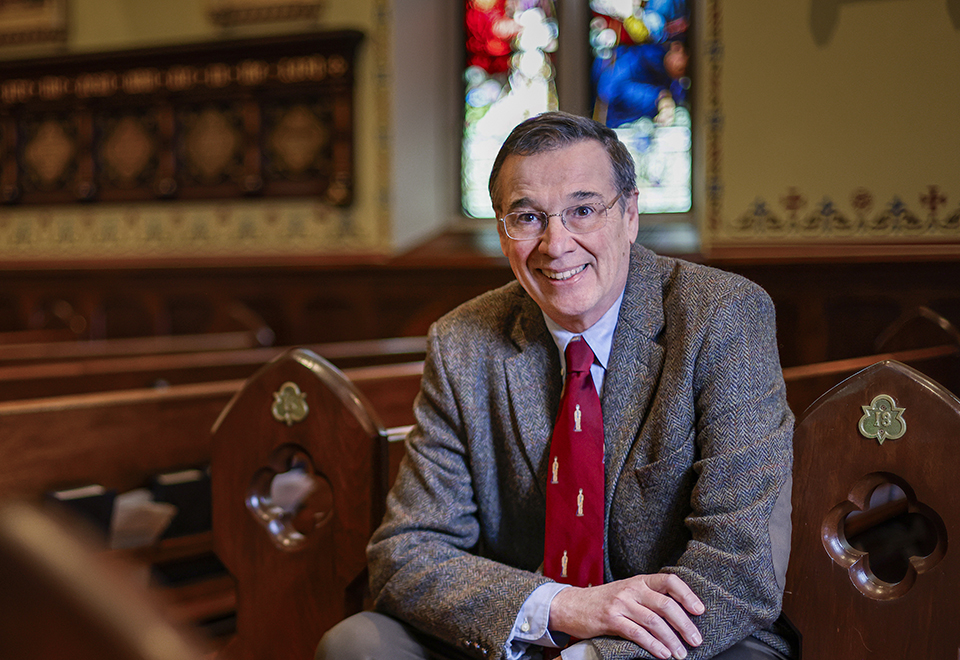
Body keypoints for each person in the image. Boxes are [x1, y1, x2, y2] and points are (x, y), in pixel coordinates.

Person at [316, 112, 795, 660]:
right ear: (502, 231)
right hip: (523, 631)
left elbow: (740, 565)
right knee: (356, 644)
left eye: (583, 210)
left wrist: (591, 657)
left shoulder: (721, 316)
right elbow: (405, 553)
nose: (555, 244)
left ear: (631, 214)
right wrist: (557, 606)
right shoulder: (462, 342)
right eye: (527, 217)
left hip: (680, 643)